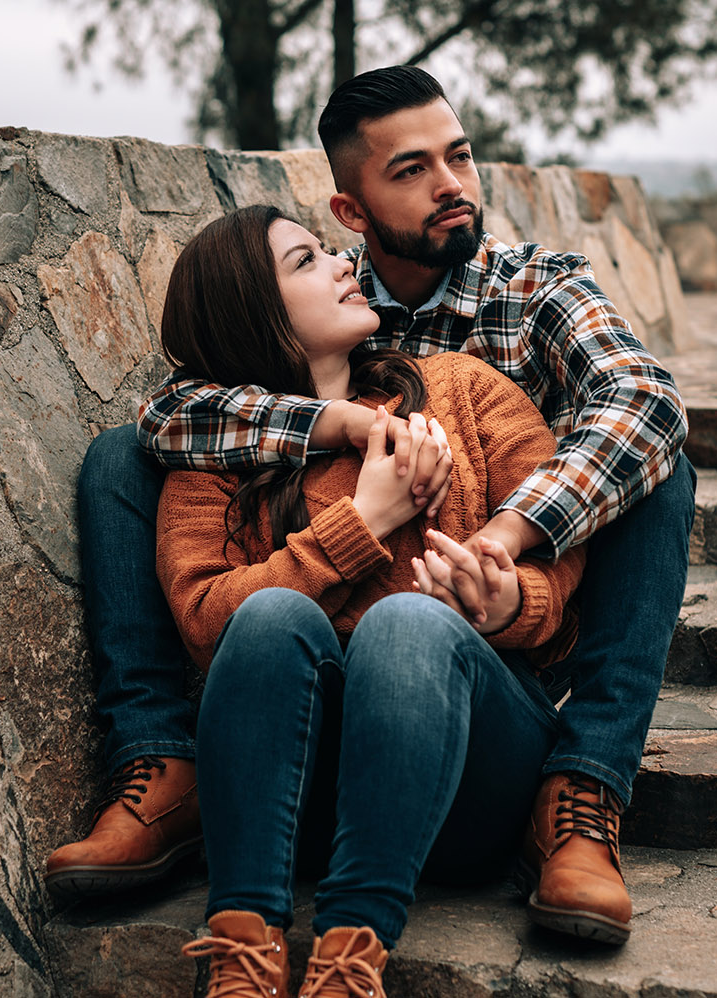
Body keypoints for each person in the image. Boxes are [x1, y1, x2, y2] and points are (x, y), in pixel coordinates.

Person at [44, 65, 696, 946]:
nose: (451, 186)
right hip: (311, 670)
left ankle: (582, 791)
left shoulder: (529, 295)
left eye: (459, 157)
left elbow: (644, 403)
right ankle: (163, 760)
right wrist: (342, 432)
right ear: (351, 211)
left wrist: (502, 550)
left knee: (655, 467)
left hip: (487, 657)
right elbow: (169, 418)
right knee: (120, 457)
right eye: (412, 170)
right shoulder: (331, 301)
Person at [153, 202, 584, 997]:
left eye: (330, 251)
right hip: (297, 800)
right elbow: (208, 625)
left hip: (471, 784)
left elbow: (562, 562)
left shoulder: (461, 389)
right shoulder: (213, 456)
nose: (343, 265)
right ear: (252, 310)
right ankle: (242, 956)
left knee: (407, 621)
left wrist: (508, 601)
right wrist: (365, 522)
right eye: (307, 261)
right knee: (269, 616)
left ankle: (350, 962)